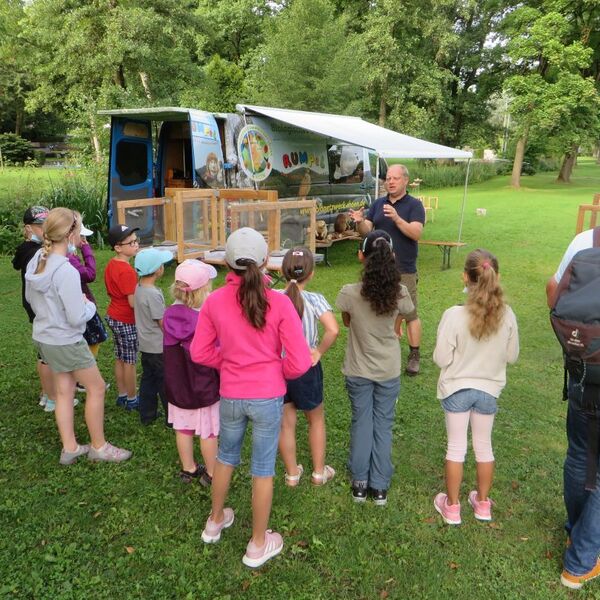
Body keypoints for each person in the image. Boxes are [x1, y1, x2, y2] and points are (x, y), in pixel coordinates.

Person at [191, 227, 312, 568]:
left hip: (231, 393)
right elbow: (300, 361)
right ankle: (258, 544)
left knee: (226, 457)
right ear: (264, 261)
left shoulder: (214, 301)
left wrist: (228, 364)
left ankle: (215, 521)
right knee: (262, 468)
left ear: (227, 263)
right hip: (267, 396)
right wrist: (275, 371)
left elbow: (200, 353)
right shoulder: (281, 302)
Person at [25, 207, 132, 464]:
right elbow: (76, 316)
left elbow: (31, 299)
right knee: (95, 388)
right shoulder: (66, 271)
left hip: (45, 337)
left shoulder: (38, 258)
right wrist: (90, 305)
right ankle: (99, 446)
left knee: (64, 391)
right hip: (66, 340)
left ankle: (70, 447)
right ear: (71, 233)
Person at [432, 249, 519, 525]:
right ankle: (482, 504)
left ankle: (453, 506)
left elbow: (440, 358)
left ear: (465, 277)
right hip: (488, 391)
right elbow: (512, 355)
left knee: (456, 448)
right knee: (484, 447)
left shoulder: (453, 316)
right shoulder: (508, 316)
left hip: (457, 389)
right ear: (497, 277)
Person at [336, 230, 414, 505]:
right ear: (392, 256)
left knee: (362, 421)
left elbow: (347, 322)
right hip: (388, 371)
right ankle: (379, 486)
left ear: (361, 256)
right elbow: (399, 320)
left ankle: (360, 482)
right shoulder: (401, 293)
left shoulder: (349, 293)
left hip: (358, 370)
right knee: (383, 424)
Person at [546, 229, 600, 590]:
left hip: (583, 369)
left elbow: (554, 292)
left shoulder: (585, 240)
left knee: (580, 453)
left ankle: (576, 531)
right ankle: (581, 561)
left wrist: (576, 345)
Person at [349, 164, 425, 375]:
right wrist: (360, 221)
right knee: (376, 309)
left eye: (395, 178)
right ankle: (375, 350)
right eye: (388, 178)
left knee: (409, 312)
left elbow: (416, 233)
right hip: (377, 268)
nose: (390, 182)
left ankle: (414, 355)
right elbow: (367, 231)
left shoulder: (414, 205)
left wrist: (397, 218)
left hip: (404, 268)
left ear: (405, 181)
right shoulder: (378, 203)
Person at [279, 247, 339, 487]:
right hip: (306, 367)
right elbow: (333, 330)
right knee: (316, 420)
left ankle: (292, 474)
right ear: (311, 274)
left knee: (286, 422)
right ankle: (318, 472)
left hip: (279, 368)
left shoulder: (273, 298)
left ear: (283, 271)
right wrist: (318, 352)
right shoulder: (315, 299)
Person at [164, 259, 220, 485]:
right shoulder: (205, 319)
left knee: (183, 427)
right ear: (204, 289)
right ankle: (214, 474)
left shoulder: (168, 315)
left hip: (178, 383)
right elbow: (216, 351)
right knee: (208, 432)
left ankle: (188, 468)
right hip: (203, 384)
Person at [12, 205, 56, 411]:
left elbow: (15, 263)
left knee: (43, 353)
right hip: (40, 306)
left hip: (34, 305)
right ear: (28, 228)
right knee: (46, 355)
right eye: (39, 226)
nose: (44, 229)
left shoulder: (25, 248)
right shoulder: (36, 253)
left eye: (47, 225)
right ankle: (50, 397)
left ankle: (45, 393)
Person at [134, 248, 173, 425]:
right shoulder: (153, 294)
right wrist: (173, 337)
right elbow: (161, 321)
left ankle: (147, 414)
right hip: (158, 347)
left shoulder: (139, 287)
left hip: (145, 345)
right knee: (165, 382)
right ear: (158, 269)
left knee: (148, 379)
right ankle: (171, 418)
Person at [104, 224, 140, 410]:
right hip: (126, 319)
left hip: (113, 315)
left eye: (136, 240)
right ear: (118, 247)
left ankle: (122, 393)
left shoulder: (112, 263)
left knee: (120, 357)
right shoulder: (127, 271)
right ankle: (133, 398)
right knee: (130, 361)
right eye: (131, 242)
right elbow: (133, 303)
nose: (136, 245)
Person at [68, 222, 108, 365]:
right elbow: (89, 275)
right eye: (82, 236)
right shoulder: (69, 258)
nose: (84, 239)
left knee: (92, 340)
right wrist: (86, 249)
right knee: (92, 339)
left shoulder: (70, 255)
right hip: (82, 305)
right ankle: (84, 373)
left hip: (81, 303)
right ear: (72, 236)